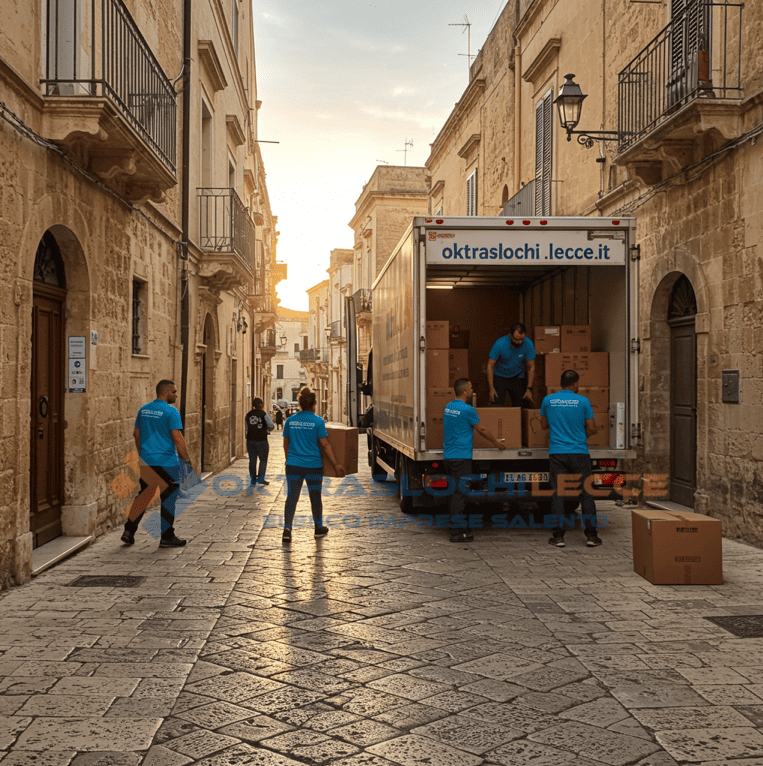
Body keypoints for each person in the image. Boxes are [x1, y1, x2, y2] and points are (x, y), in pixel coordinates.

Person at [122, 379, 189, 548]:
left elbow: (136, 434)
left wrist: (142, 455)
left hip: (147, 462)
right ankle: (167, 536)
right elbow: (177, 437)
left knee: (144, 496)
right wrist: (187, 461)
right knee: (168, 499)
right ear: (164, 392)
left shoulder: (143, 410)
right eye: (173, 392)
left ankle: (129, 531)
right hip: (167, 462)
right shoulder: (171, 411)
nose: (175, 395)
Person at [540, 369, 602, 548]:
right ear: (575, 384)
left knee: (558, 494)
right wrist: (580, 437)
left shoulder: (548, 400)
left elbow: (544, 425)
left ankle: (558, 537)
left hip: (557, 452)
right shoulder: (583, 401)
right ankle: (591, 536)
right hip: (580, 452)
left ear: (561, 383)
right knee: (586, 494)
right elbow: (592, 428)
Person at [443, 378, 507, 543]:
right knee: (460, 494)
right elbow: (482, 429)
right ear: (465, 391)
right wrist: (496, 443)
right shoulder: (468, 410)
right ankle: (457, 532)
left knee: (454, 493)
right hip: (461, 457)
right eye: (470, 388)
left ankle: (459, 527)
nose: (472, 391)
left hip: (449, 456)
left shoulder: (448, 407)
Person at [282, 386, 346, 543]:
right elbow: (325, 445)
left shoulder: (290, 421)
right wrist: (336, 464)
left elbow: (286, 444)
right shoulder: (318, 422)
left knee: (292, 497)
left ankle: (287, 529)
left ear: (300, 404)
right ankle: (318, 528)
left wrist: (288, 459)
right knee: (315, 496)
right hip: (313, 465)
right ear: (314, 404)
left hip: (294, 465)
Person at [487, 322, 536, 408]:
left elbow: (530, 367)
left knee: (521, 405)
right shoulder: (500, 343)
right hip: (499, 376)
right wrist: (491, 388)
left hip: (518, 376)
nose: (519, 342)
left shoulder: (528, 344)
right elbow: (490, 365)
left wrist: (529, 388)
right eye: (516, 339)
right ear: (510, 335)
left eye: (521, 339)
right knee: (496, 404)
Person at [245, 398, 274, 486]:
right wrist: (265, 429)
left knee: (252, 460)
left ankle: (253, 479)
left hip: (250, 440)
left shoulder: (248, 414)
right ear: (261, 405)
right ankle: (261, 479)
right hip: (262, 440)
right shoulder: (264, 414)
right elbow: (271, 426)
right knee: (263, 460)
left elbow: (246, 427)